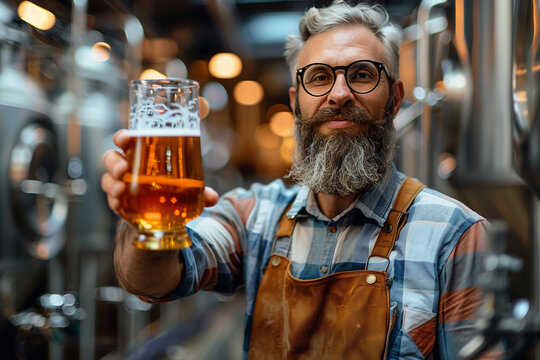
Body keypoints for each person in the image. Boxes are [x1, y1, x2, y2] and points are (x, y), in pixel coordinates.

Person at [101, 1, 500, 359]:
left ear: (394, 99)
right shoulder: (254, 216)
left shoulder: (454, 234)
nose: (340, 93)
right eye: (320, 77)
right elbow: (156, 281)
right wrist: (143, 225)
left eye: (362, 75)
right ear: (295, 100)